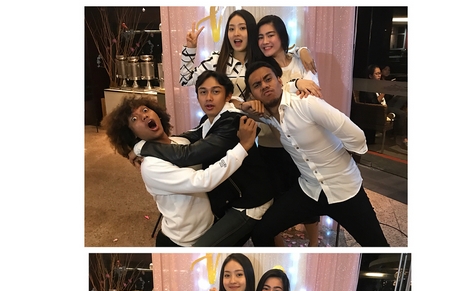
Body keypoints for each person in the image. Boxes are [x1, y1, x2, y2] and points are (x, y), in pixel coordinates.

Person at [244, 61, 389, 247]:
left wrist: (342, 160)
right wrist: (246, 107)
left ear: (279, 80)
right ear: (252, 94)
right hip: (309, 190)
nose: (264, 86)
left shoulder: (307, 103)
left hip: (345, 189)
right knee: (261, 232)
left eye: (268, 79)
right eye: (257, 85)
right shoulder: (266, 116)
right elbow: (233, 105)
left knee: (378, 248)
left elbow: (357, 137)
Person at [130, 71, 274, 246]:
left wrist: (143, 147)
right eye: (203, 92)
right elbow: (189, 136)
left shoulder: (231, 123)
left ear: (228, 95)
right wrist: (138, 146)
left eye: (216, 91)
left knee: (202, 249)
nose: (209, 98)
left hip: (250, 202)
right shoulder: (209, 120)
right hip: (231, 196)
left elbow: (188, 155)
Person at [104, 96, 258, 247]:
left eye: (145, 110)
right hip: (183, 241)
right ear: (132, 134)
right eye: (134, 119)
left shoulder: (179, 142)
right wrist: (243, 147)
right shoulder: (151, 166)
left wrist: (237, 104)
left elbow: (204, 129)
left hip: (207, 226)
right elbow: (203, 181)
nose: (143, 116)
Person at [254, 14, 322, 247]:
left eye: (270, 35)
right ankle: (279, 244)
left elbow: (313, 94)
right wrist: (296, 85)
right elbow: (267, 97)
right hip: (270, 143)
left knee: (310, 196)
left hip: (301, 144)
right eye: (260, 37)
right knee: (274, 200)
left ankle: (314, 244)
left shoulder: (301, 61)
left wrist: (303, 51)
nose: (265, 41)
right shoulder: (260, 68)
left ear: (282, 36)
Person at [180, 9, 318, 107]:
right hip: (225, 126)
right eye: (231, 29)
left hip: (256, 127)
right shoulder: (217, 60)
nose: (236, 33)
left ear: (251, 32)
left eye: (242, 28)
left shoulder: (260, 61)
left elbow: (280, 52)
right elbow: (185, 79)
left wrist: (301, 51)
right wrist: (191, 48)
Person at [358, 65, 407, 148]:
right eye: (376, 74)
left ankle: (394, 122)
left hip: (385, 105)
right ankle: (402, 138)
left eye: (380, 73)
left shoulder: (379, 84)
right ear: (370, 76)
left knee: (402, 98)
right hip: (379, 109)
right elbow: (375, 102)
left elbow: (386, 98)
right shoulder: (368, 87)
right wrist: (384, 92)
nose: (379, 76)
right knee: (402, 114)